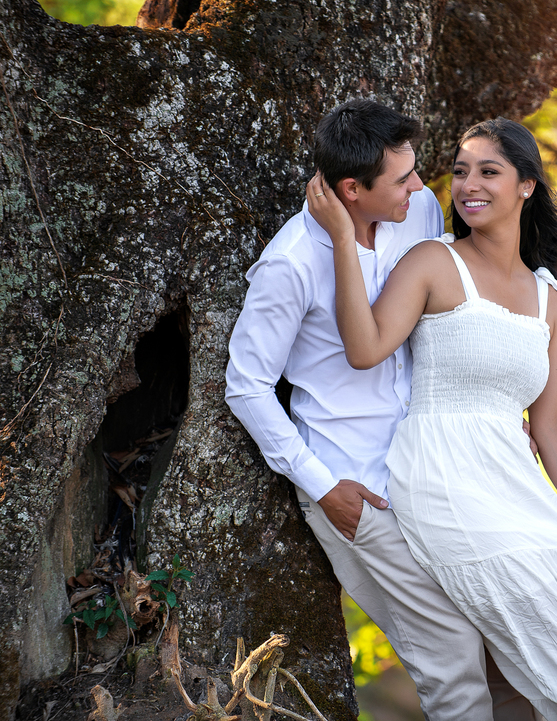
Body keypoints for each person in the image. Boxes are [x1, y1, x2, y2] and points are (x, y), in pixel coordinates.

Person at [307, 117, 557, 720]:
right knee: (553, 631)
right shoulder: (433, 263)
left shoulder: (549, 298)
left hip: (514, 484)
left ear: (527, 186)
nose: (469, 184)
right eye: (463, 171)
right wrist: (343, 239)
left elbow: (550, 426)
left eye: (489, 171)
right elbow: (365, 348)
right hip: (443, 479)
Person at [225, 100, 540, 720]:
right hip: (359, 491)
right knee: (450, 658)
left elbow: (451, 314)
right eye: (402, 178)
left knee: (510, 637)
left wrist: (493, 411)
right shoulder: (291, 263)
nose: (423, 188)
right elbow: (246, 386)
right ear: (351, 189)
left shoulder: (417, 214)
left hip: (437, 470)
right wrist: (322, 486)